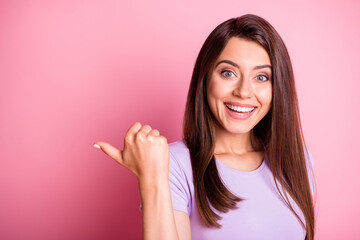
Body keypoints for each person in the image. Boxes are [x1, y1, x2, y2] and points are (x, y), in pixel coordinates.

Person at [93, 14, 316, 240]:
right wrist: (151, 176)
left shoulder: (298, 161)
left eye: (261, 77)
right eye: (228, 73)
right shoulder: (172, 164)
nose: (244, 91)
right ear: (205, 78)